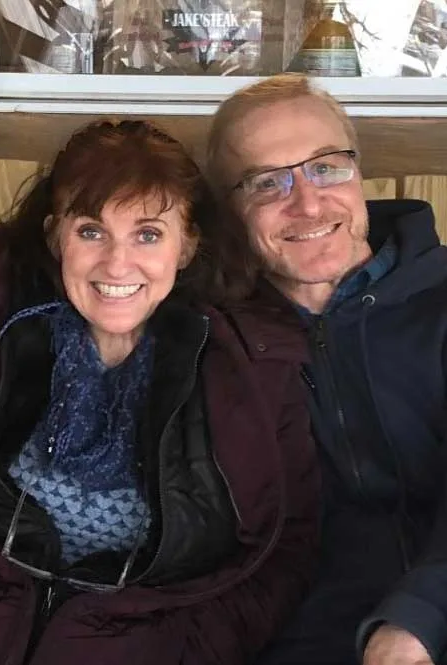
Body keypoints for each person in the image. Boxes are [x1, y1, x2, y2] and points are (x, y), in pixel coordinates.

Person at [0, 119, 319, 665]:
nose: (117, 264)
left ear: (187, 246)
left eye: (147, 234)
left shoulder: (247, 365)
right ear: (55, 237)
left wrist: (183, 648)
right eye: (90, 232)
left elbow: (284, 549)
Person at [206, 72, 447, 665]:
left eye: (326, 167)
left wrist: (420, 620)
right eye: (267, 182)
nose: (308, 204)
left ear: (358, 171)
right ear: (230, 212)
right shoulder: (217, 338)